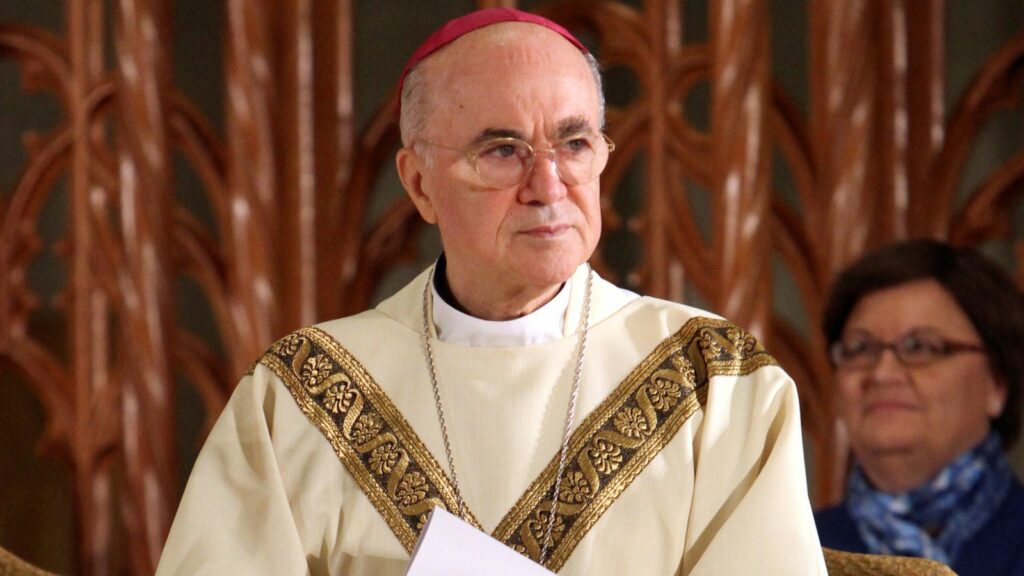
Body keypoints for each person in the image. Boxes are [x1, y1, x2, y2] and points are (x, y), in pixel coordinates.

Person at [156, 8, 826, 575]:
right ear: (419, 184)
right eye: (503, 150)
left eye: (574, 142)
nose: (549, 185)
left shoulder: (715, 382)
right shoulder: (302, 393)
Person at [815, 238, 1024, 575]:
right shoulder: (792, 550)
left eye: (920, 347)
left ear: (997, 383)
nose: (882, 373)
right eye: (859, 348)